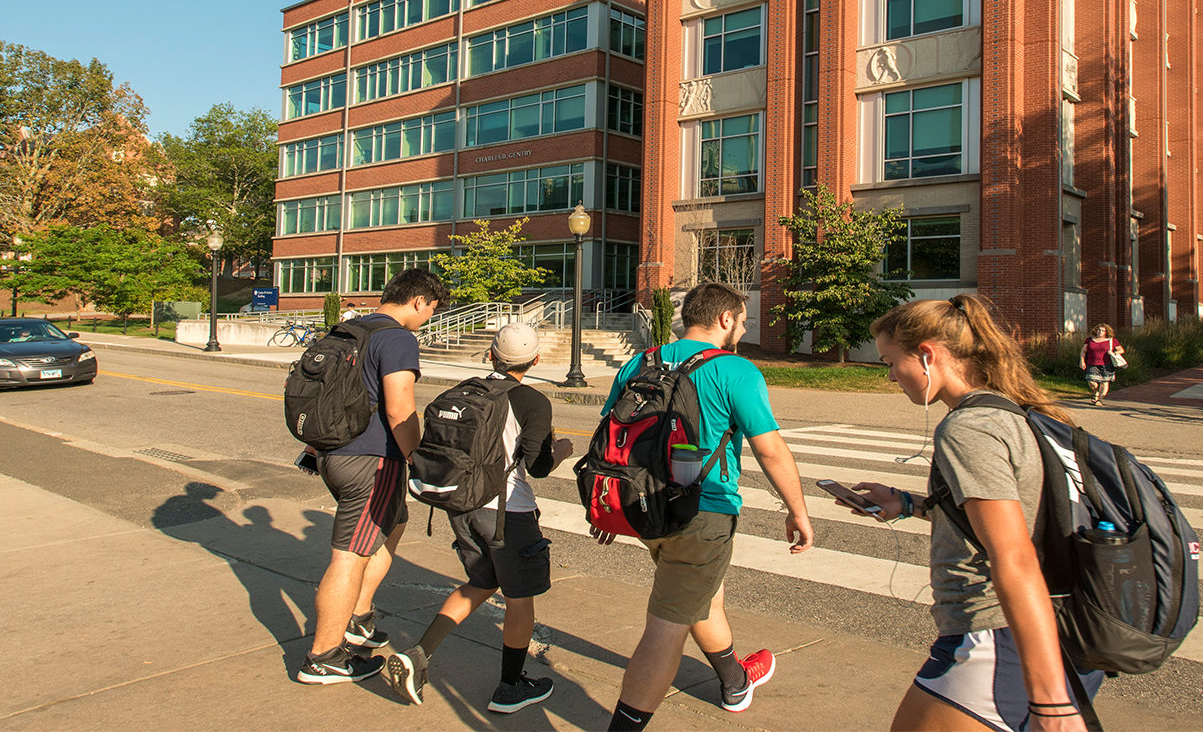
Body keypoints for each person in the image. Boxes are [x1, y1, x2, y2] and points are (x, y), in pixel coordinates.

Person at [841, 295, 1100, 732]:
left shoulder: (968, 428)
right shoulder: (1018, 412)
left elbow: (1013, 555)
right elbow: (1016, 515)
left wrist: (1051, 702)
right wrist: (909, 504)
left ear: (927, 354)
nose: (889, 375)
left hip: (1000, 636)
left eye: (890, 361)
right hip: (1047, 631)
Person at [598, 281, 814, 731]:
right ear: (724, 319)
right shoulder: (735, 370)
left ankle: (735, 680)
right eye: (743, 318)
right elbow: (770, 449)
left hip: (645, 508)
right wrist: (798, 510)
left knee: (701, 596)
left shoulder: (642, 361)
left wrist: (608, 505)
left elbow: (611, 439)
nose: (745, 325)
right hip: (703, 511)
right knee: (665, 628)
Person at [385, 323, 571, 712]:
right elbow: (537, 467)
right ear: (535, 360)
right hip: (506, 511)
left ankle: (419, 654)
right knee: (521, 598)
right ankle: (510, 686)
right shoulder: (533, 402)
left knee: (482, 582)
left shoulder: (462, 390)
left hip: (461, 504)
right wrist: (563, 450)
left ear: (490, 354)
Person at [296, 268, 447, 686]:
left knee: (395, 522)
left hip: (331, 453)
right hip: (371, 461)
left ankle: (358, 616)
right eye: (431, 310)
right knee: (349, 555)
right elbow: (400, 408)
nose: (428, 318)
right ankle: (323, 656)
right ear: (419, 301)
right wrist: (418, 457)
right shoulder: (398, 337)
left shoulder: (348, 329)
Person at [1078, 324, 1124, 407]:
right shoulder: (1089, 340)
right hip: (1092, 363)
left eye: (1103, 330)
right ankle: (1096, 392)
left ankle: (1100, 400)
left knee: (1104, 382)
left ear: (1106, 332)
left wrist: (1114, 353)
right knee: (1091, 381)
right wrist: (1082, 360)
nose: (1100, 332)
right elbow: (1083, 351)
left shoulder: (1112, 340)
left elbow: (1121, 350)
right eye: (1099, 330)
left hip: (1107, 364)